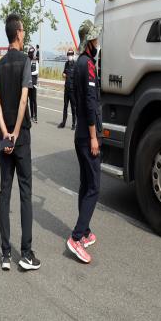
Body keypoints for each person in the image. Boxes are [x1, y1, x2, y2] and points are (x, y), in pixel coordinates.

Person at [0, 14, 40, 272]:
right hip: (20, 138)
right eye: (23, 29)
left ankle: (5, 254)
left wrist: (4, 131)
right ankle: (26, 252)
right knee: (25, 192)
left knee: (4, 192)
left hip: (4, 138)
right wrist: (15, 131)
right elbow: (24, 100)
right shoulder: (25, 61)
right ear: (19, 33)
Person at [66, 20, 102, 264]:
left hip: (79, 132)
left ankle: (85, 229)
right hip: (88, 134)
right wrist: (93, 137)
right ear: (89, 41)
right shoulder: (87, 65)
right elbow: (89, 102)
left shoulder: (77, 64)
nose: (98, 42)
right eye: (96, 39)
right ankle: (76, 237)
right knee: (94, 187)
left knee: (85, 184)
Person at [58, 49, 77, 129]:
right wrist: (63, 74)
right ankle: (63, 123)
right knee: (65, 106)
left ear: (73, 55)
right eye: (68, 54)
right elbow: (64, 72)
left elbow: (77, 78)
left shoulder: (75, 65)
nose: (69, 56)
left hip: (72, 90)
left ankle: (73, 124)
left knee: (73, 107)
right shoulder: (66, 64)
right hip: (66, 89)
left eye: (71, 54)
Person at [27, 46, 38, 123]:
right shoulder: (27, 60)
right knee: (30, 100)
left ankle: (35, 116)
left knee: (34, 100)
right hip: (28, 83)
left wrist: (30, 73)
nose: (31, 54)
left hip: (34, 83)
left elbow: (37, 71)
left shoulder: (35, 60)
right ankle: (31, 116)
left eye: (32, 53)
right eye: (30, 53)